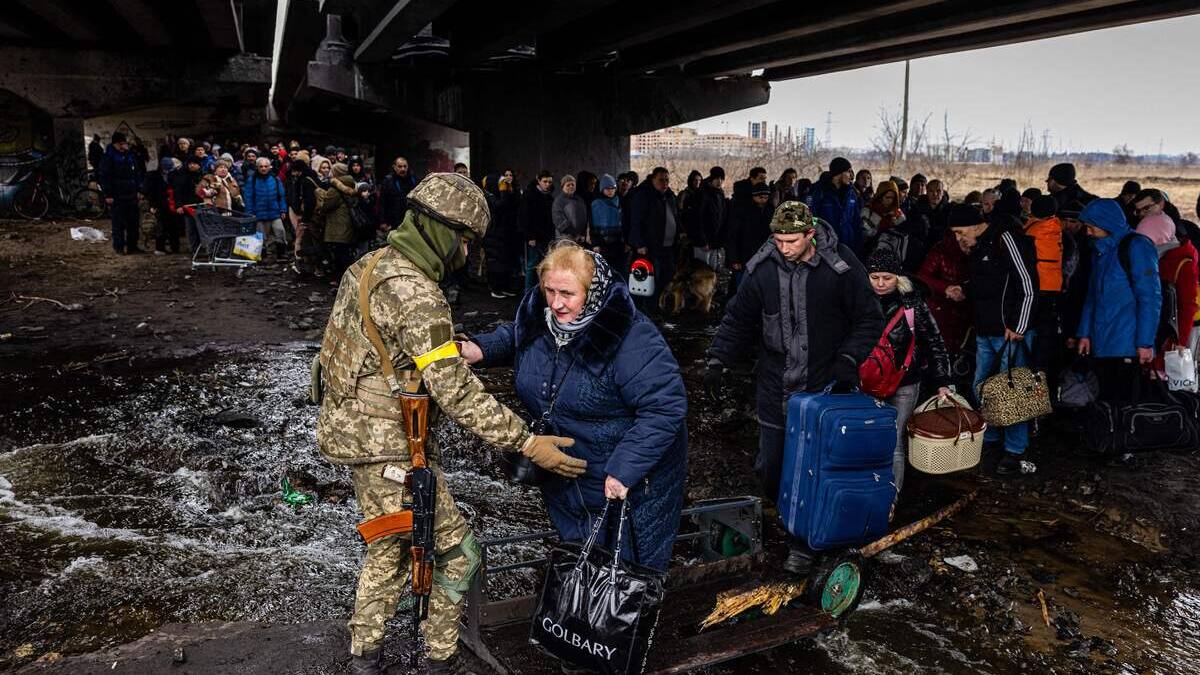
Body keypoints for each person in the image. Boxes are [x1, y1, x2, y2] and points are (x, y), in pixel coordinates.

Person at [316, 173, 582, 675]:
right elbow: (454, 390)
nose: (465, 252)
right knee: (459, 556)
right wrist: (527, 442)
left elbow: (344, 355)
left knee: (390, 546)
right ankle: (439, 662)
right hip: (391, 446)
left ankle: (365, 658)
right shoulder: (419, 295)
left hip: (354, 434)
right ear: (440, 230)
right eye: (462, 239)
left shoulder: (369, 265)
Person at [463, 241, 687, 571]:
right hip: (568, 472)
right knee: (580, 564)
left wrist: (624, 470)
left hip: (627, 477)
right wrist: (481, 348)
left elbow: (665, 407)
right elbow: (520, 337)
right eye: (549, 290)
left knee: (621, 578)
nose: (556, 303)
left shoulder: (630, 337)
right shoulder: (540, 320)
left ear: (592, 291)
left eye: (567, 294)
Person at [704, 201, 882, 574]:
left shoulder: (841, 267)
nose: (784, 248)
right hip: (774, 385)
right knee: (771, 466)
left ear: (810, 235)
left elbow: (869, 317)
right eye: (778, 240)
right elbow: (737, 318)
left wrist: (849, 359)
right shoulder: (762, 270)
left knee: (814, 468)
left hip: (823, 388)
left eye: (791, 241)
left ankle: (804, 544)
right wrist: (718, 359)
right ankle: (786, 518)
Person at [947, 204, 1038, 476]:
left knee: (1013, 392)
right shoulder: (978, 247)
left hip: (1009, 332)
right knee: (981, 387)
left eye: (960, 232)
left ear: (976, 225)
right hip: (985, 330)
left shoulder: (1005, 238)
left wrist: (1019, 325)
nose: (958, 238)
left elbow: (1028, 284)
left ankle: (1015, 450)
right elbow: (986, 283)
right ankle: (992, 438)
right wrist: (963, 289)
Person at [864, 249, 952, 494]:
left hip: (904, 383)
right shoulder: (857, 300)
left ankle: (890, 498)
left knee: (893, 442)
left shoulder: (913, 304)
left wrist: (942, 380)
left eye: (887, 278)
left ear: (899, 278)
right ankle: (865, 492)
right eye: (875, 277)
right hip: (865, 382)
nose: (881, 284)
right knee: (865, 437)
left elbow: (934, 342)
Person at [1076, 199, 1161, 402]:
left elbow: (1150, 298)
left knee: (1125, 402)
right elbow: (1092, 296)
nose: (1087, 232)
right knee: (1106, 403)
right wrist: (1084, 333)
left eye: (1091, 227)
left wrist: (1145, 342)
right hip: (1102, 341)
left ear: (1106, 224)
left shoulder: (1137, 246)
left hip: (1127, 343)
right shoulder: (1101, 250)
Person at [1137, 212, 1199, 361]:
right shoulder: (1156, 258)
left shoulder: (1182, 263)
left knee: (1167, 380)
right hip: (1154, 334)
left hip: (1171, 339)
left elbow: (1188, 306)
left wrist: (1181, 342)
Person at [628, 167, 681, 308]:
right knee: (649, 280)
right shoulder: (643, 195)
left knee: (666, 277)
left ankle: (657, 307)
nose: (665, 183)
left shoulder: (669, 196)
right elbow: (635, 221)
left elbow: (675, 217)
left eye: (667, 180)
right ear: (652, 179)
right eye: (661, 180)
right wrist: (639, 243)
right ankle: (645, 310)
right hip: (650, 247)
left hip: (668, 247)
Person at [917, 230, 972, 364]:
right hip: (940, 311)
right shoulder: (941, 251)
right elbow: (922, 277)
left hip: (965, 314)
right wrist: (946, 288)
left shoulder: (978, 251)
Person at [98, 131, 146, 255]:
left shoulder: (130, 156)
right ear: (117, 144)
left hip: (131, 193)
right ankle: (119, 247)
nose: (126, 146)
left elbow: (137, 173)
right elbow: (105, 176)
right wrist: (108, 194)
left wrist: (140, 189)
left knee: (133, 222)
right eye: (123, 144)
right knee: (118, 223)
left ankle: (132, 246)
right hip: (117, 195)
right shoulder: (108, 157)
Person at [723, 182, 774, 294]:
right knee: (742, 288)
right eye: (761, 197)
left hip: (764, 256)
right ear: (754, 196)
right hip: (744, 257)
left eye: (766, 197)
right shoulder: (742, 211)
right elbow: (732, 236)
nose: (763, 200)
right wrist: (734, 259)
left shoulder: (771, 210)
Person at [805, 157, 862, 254]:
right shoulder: (818, 191)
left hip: (848, 246)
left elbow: (856, 222)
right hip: (825, 247)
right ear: (839, 173)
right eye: (848, 171)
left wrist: (858, 247)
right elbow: (809, 219)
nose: (852, 176)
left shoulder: (851, 193)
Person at [315, 163, 359, 285]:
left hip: (337, 227)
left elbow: (326, 206)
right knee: (345, 253)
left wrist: (320, 194)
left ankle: (341, 279)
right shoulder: (351, 184)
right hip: (348, 224)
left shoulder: (335, 189)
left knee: (340, 255)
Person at [482, 171, 522, 298]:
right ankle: (495, 288)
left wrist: (511, 190)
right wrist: (504, 192)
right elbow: (500, 206)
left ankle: (504, 287)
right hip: (492, 234)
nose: (502, 186)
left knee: (505, 262)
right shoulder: (487, 195)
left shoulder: (498, 195)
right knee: (495, 262)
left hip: (503, 233)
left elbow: (514, 204)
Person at [241, 157, 290, 260]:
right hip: (258, 214)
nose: (263, 168)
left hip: (275, 212)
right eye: (261, 166)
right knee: (260, 236)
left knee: (280, 232)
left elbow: (281, 196)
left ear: (269, 167)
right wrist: (250, 213)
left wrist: (283, 210)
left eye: (266, 166)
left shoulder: (275, 179)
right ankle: (261, 257)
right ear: (257, 167)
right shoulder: (252, 180)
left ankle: (282, 255)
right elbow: (248, 198)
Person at [519, 170, 556, 289]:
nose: (547, 184)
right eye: (545, 181)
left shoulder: (549, 196)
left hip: (546, 236)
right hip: (534, 236)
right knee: (532, 265)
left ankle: (540, 293)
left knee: (544, 265)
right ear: (538, 181)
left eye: (549, 182)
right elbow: (525, 216)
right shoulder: (529, 195)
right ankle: (528, 293)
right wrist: (530, 236)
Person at [589, 173, 625, 277]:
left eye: (612, 188)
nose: (610, 191)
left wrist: (626, 240)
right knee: (604, 273)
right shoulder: (596, 203)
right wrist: (595, 243)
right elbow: (592, 225)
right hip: (603, 244)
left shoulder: (620, 201)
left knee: (619, 271)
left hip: (618, 242)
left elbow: (625, 222)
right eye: (607, 188)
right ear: (602, 189)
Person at [143, 157, 179, 255]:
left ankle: (175, 247)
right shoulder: (153, 177)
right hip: (160, 204)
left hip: (172, 204)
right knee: (161, 227)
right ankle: (160, 248)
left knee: (174, 227)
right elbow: (150, 192)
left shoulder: (174, 174)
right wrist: (153, 205)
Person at [380, 156, 419, 231]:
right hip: (393, 220)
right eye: (400, 166)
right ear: (394, 167)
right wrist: (382, 221)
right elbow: (382, 202)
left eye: (405, 166)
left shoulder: (412, 179)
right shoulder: (388, 181)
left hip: (410, 219)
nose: (403, 169)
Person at [694, 166, 727, 252]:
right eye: (716, 178)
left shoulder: (720, 193)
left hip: (717, 240)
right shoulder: (702, 193)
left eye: (721, 179)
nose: (719, 181)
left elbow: (723, 216)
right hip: (705, 241)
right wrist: (703, 241)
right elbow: (698, 218)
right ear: (711, 178)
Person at [552, 174, 589, 243]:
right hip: (564, 239)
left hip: (580, 239)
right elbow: (559, 222)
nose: (571, 186)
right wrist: (575, 234)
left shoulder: (580, 200)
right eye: (568, 185)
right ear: (563, 186)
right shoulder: (558, 201)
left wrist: (583, 234)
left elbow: (585, 218)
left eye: (573, 184)